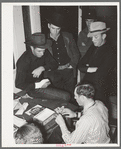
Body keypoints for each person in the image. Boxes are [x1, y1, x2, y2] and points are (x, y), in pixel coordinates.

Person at [15, 33, 70, 101]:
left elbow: (54, 64)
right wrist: (38, 85)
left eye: (43, 50)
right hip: (32, 89)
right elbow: (19, 84)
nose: (42, 53)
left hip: (44, 81)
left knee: (66, 90)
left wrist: (42, 68)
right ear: (32, 48)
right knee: (66, 96)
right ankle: (30, 95)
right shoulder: (23, 61)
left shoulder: (44, 51)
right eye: (39, 51)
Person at [45, 12, 80, 102]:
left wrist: (72, 65)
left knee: (71, 95)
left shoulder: (68, 36)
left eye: (58, 29)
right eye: (53, 28)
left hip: (68, 70)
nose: (55, 31)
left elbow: (76, 53)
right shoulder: (44, 39)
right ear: (49, 26)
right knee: (58, 96)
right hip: (53, 73)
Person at [77, 21, 115, 106]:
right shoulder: (93, 47)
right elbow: (80, 65)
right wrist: (91, 69)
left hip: (100, 90)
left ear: (104, 36)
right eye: (92, 37)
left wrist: (87, 68)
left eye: (96, 37)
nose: (93, 40)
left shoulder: (111, 51)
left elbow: (101, 73)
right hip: (89, 87)